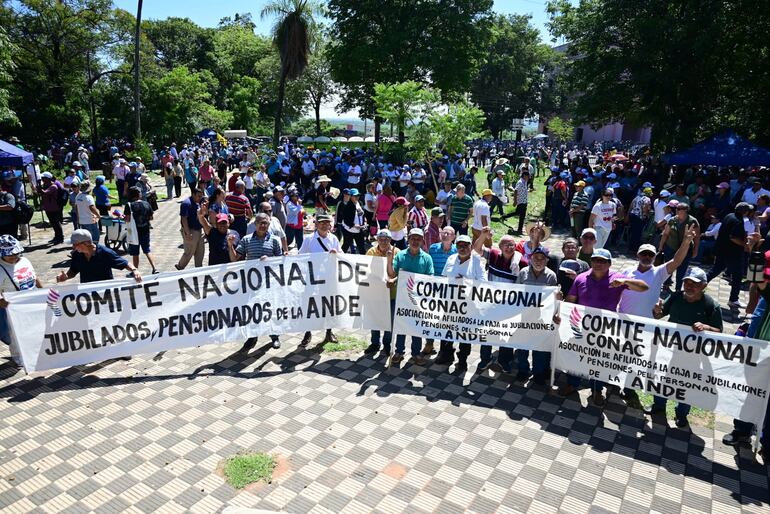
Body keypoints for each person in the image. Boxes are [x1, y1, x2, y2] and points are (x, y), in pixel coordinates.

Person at [558, 248, 649, 406]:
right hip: (581, 326)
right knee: (577, 354)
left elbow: (643, 287)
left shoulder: (617, 278)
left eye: (603, 261)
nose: (598, 264)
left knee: (598, 360)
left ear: (609, 264)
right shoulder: (581, 278)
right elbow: (571, 300)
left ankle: (597, 389)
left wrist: (625, 282)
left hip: (606, 329)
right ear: (591, 261)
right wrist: (561, 313)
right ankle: (573, 383)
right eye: (595, 260)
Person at [648, 267, 723, 427]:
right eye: (686, 282)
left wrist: (706, 327)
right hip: (669, 349)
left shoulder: (711, 305)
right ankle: (659, 406)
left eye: (694, 284)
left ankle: (682, 413)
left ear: (703, 286)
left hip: (694, 354)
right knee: (662, 377)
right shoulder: (675, 297)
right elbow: (660, 315)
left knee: (686, 383)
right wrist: (656, 310)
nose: (689, 286)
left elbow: (719, 331)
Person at [434, 233, 491, 371]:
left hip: (469, 304)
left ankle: (463, 359)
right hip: (450, 302)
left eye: (466, 245)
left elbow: (484, 282)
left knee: (465, 333)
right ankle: (446, 354)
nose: (462, 248)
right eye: (459, 245)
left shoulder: (477, 262)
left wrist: (466, 283)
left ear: (471, 246)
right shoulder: (451, 258)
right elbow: (443, 277)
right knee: (447, 330)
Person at [229, 212, 283, 350]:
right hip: (251, 282)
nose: (263, 225)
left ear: (269, 224)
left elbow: (281, 262)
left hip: (269, 282)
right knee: (253, 310)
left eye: (265, 223)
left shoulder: (275, 240)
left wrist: (270, 261)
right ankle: (253, 336)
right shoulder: (246, 240)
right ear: (255, 224)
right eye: (260, 223)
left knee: (270, 309)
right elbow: (235, 259)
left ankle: (274, 336)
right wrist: (230, 246)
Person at [386, 228, 434, 365]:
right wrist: (389, 260)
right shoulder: (400, 255)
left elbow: (430, 278)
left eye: (418, 239)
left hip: (418, 300)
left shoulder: (427, 258)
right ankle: (399, 351)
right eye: (412, 238)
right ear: (408, 240)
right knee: (400, 325)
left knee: (416, 326)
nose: (415, 241)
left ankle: (416, 353)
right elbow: (392, 274)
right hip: (401, 298)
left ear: (423, 241)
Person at [298, 213, 342, 347]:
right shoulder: (309, 239)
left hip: (329, 278)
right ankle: (307, 332)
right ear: (316, 224)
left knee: (329, 305)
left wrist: (336, 254)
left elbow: (342, 256)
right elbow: (300, 256)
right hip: (312, 279)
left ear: (330, 225)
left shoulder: (333, 238)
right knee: (310, 305)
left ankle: (329, 331)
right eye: (321, 222)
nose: (324, 225)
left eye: (326, 223)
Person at [707, 203, 756, 310]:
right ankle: (733, 300)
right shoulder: (739, 221)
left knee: (715, 270)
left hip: (721, 250)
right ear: (745, 212)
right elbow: (733, 237)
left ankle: (698, 284)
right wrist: (745, 245)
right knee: (737, 276)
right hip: (732, 253)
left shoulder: (729, 216)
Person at [57, 229, 142, 284]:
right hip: (87, 293)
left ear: (86, 243)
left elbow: (125, 263)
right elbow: (73, 271)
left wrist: (135, 270)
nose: (73, 247)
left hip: (105, 293)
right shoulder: (77, 254)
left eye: (75, 244)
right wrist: (66, 277)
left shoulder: (105, 252)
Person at [0, 235, 42, 345]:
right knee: (16, 336)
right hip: (13, 308)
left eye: (16, 253)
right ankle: (19, 358)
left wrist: (43, 292)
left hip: (32, 303)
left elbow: (34, 277)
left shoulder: (25, 260)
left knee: (35, 330)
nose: (14, 256)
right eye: (10, 254)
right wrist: (2, 302)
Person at [364, 229, 400, 357]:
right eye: (381, 239)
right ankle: (375, 343)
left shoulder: (397, 252)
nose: (383, 241)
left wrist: (393, 279)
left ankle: (387, 343)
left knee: (389, 321)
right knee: (375, 319)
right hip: (376, 292)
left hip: (392, 292)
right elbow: (366, 269)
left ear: (390, 240)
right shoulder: (371, 252)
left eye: (386, 239)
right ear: (377, 239)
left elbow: (400, 272)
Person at [658, 202, 700, 291]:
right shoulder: (672, 220)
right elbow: (665, 234)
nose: (677, 210)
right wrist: (661, 246)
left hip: (685, 250)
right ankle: (666, 283)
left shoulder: (693, 221)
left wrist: (695, 250)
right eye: (677, 208)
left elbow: (696, 238)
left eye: (680, 209)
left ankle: (678, 288)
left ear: (686, 210)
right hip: (670, 247)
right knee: (668, 267)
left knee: (682, 270)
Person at [124, 187, 158, 275]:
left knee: (135, 253)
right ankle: (155, 268)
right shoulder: (146, 204)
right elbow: (151, 218)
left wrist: (122, 217)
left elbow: (127, 219)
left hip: (134, 232)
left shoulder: (129, 205)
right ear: (139, 194)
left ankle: (135, 271)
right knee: (147, 250)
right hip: (145, 230)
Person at [175, 188, 205, 270]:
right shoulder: (186, 203)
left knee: (200, 251)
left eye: (201, 196)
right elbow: (183, 219)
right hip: (191, 230)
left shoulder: (199, 202)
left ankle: (199, 268)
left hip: (199, 230)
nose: (200, 198)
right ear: (193, 194)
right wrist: (187, 233)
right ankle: (180, 266)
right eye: (198, 196)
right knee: (189, 251)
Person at [38, 172, 65, 244]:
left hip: (54, 208)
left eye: (44, 178)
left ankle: (60, 237)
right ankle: (57, 236)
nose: (42, 179)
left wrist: (40, 188)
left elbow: (45, 193)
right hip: (48, 208)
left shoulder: (53, 186)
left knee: (56, 223)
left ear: (48, 178)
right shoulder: (46, 185)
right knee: (53, 223)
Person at [340, 189, 367, 254]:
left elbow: (363, 214)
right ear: (350, 196)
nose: (357, 197)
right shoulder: (347, 206)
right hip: (350, 231)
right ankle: (339, 259)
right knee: (345, 246)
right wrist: (354, 225)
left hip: (359, 231)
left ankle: (365, 261)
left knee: (362, 248)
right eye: (355, 196)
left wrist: (365, 222)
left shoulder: (360, 203)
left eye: (358, 195)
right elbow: (346, 220)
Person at [512, 171, 529, 235]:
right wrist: (515, 201)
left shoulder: (525, 182)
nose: (528, 177)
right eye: (527, 176)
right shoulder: (520, 182)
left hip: (524, 201)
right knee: (517, 213)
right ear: (524, 176)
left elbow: (523, 190)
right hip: (520, 201)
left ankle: (520, 229)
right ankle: (505, 216)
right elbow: (516, 191)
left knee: (522, 216)